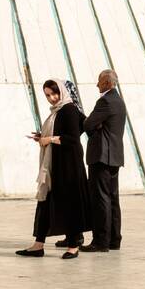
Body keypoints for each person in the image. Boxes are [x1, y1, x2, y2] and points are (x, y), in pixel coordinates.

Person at [17, 79, 91, 259]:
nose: (52, 98)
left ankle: (73, 246)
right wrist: (43, 137)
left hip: (68, 166)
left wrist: (48, 140)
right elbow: (61, 133)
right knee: (45, 202)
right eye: (48, 95)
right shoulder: (57, 111)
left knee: (69, 203)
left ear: (62, 92)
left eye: (54, 93)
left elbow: (72, 138)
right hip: (54, 164)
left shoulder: (69, 110)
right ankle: (38, 245)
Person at [82, 67, 126, 252]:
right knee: (113, 198)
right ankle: (114, 240)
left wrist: (95, 126)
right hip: (114, 156)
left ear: (107, 83)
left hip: (101, 156)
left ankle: (100, 241)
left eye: (99, 81)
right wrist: (96, 126)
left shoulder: (105, 101)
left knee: (100, 199)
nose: (97, 84)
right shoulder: (119, 101)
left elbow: (87, 124)